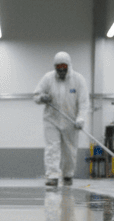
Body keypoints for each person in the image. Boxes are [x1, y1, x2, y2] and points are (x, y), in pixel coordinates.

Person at [32, 51, 90, 187]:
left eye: (64, 68)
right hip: (51, 119)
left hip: (71, 121)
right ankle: (52, 176)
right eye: (59, 68)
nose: (62, 71)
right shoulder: (48, 78)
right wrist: (41, 98)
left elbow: (84, 102)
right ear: (55, 67)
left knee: (70, 150)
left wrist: (81, 119)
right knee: (52, 148)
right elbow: (36, 95)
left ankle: (68, 174)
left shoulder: (78, 80)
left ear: (69, 66)